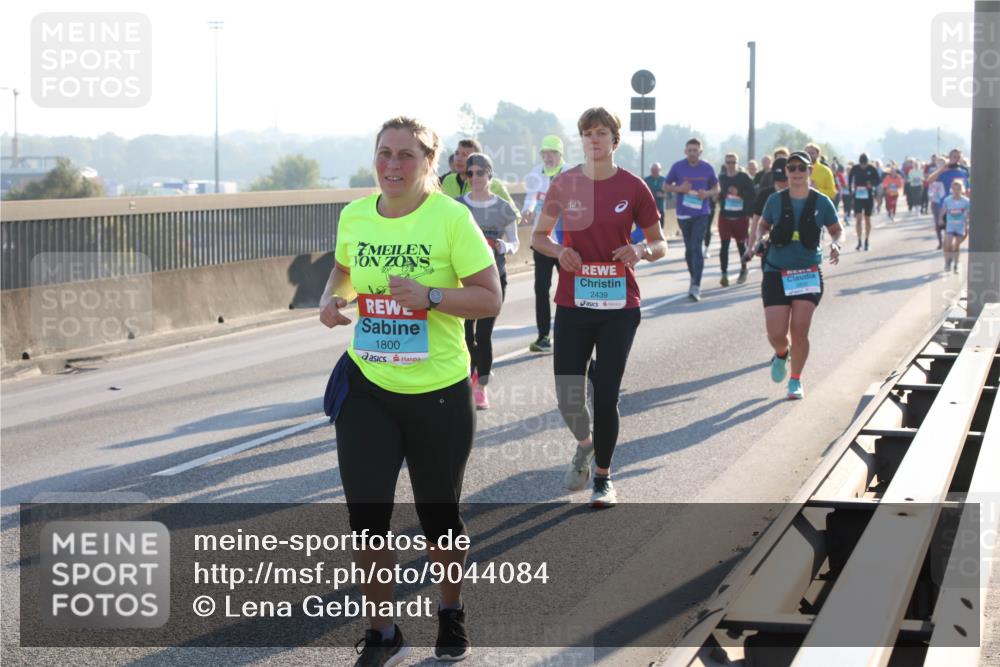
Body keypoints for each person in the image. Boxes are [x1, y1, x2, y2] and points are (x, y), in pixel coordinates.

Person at [321, 116, 502, 666]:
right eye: (384, 154)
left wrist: (429, 295)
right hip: (368, 386)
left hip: (439, 392)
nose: (392, 165)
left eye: (405, 156)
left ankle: (450, 611)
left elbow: (489, 297)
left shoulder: (451, 219)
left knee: (439, 518)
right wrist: (331, 300)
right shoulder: (355, 215)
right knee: (367, 519)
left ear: (428, 163)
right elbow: (344, 270)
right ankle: (382, 631)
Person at [531, 106, 666, 507]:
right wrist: (559, 253)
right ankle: (585, 444)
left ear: (614, 140)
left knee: (606, 396)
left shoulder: (634, 186)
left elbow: (661, 243)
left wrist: (640, 249)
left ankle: (603, 478)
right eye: (587, 133)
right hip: (574, 301)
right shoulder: (566, 183)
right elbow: (538, 236)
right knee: (568, 396)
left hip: (619, 305)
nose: (594, 139)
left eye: (601, 132)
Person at [755, 151, 842, 400]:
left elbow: (837, 230)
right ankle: (782, 353)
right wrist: (761, 238)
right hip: (776, 271)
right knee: (776, 334)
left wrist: (836, 244)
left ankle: (795, 380)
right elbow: (763, 225)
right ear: (787, 172)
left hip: (807, 272)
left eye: (801, 168)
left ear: (809, 171)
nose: (795, 172)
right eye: (791, 168)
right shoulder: (775, 200)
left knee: (800, 330)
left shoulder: (822, 202)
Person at [458, 153, 519, 409]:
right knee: (464, 334)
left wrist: (505, 246)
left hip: (494, 279)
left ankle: (480, 386)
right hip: (462, 281)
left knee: (483, 335)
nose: (474, 178)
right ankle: (468, 377)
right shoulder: (457, 206)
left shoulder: (503, 208)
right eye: (469, 173)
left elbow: (516, 243)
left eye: (479, 173)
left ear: (489, 175)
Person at [522, 135, 572, 353]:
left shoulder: (571, 173)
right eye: (544, 153)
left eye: (552, 153)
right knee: (541, 289)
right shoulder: (535, 173)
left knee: (568, 288)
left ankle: (571, 331)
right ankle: (543, 336)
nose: (547, 157)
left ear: (560, 154)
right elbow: (530, 197)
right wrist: (528, 209)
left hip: (565, 242)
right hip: (542, 240)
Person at [665, 138, 719, 301]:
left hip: (702, 213)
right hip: (683, 214)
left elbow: (717, 188)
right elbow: (666, 186)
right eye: (690, 150)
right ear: (685, 151)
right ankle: (693, 276)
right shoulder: (678, 167)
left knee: (697, 246)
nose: (692, 153)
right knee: (689, 250)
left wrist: (707, 194)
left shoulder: (707, 168)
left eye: (695, 150)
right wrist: (679, 189)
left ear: (700, 152)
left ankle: (696, 285)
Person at [441, 138, 519, 212]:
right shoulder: (448, 180)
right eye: (457, 153)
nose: (459, 158)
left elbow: (513, 214)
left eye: (465, 155)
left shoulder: (495, 185)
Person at [717, 152, 755, 285]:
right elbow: (718, 195)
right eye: (728, 162)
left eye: (733, 162)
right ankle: (724, 274)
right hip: (725, 216)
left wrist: (738, 193)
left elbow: (752, 194)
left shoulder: (744, 177)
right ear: (725, 164)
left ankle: (744, 269)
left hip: (740, 217)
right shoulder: (721, 178)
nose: (731, 165)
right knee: (724, 246)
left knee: (740, 245)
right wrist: (718, 197)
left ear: (737, 164)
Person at [746, 157, 789, 261]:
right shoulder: (765, 195)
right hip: (769, 246)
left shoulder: (798, 194)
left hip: (792, 248)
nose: (782, 184)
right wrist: (750, 247)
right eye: (779, 180)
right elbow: (756, 220)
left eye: (784, 179)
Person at [849, 153, 880, 251]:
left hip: (868, 197)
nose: (863, 166)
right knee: (858, 219)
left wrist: (872, 184)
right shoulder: (855, 168)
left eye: (865, 164)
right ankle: (859, 242)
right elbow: (850, 179)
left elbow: (879, 180)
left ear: (867, 162)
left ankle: (866, 241)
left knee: (867, 219)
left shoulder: (872, 168)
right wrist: (851, 191)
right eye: (862, 164)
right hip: (858, 196)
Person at [940, 180, 971, 274]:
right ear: (951, 189)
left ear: (962, 190)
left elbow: (969, 214)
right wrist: (940, 219)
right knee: (947, 244)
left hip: (961, 227)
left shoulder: (966, 201)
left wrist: (968, 223)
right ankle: (947, 262)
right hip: (950, 226)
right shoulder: (947, 200)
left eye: (958, 189)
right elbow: (943, 210)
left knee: (955, 246)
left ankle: (956, 264)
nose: (956, 191)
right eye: (954, 189)